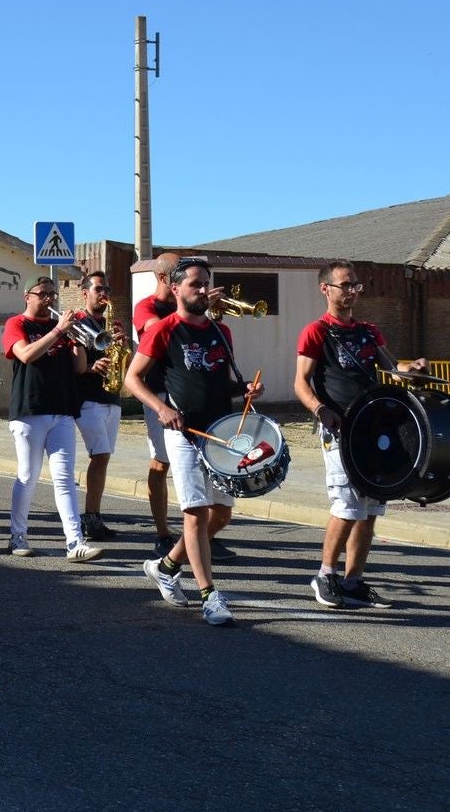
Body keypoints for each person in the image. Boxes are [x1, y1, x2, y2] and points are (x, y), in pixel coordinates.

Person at [127, 258, 263, 627]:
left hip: (220, 433)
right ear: (176, 289)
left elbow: (221, 382)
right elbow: (132, 379)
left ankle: (167, 565)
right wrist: (160, 408)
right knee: (196, 513)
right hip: (183, 433)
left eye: (206, 283)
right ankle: (209, 595)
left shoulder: (222, 332)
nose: (203, 290)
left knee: (222, 514)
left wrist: (246, 388)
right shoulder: (163, 329)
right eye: (195, 284)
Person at [295, 260, 423, 610]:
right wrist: (320, 409)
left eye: (355, 285)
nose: (352, 291)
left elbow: (391, 367)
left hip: (374, 427)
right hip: (339, 429)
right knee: (347, 506)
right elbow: (300, 382)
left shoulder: (368, 330)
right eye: (344, 285)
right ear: (326, 289)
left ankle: (354, 581)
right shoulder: (317, 331)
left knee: (369, 510)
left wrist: (411, 369)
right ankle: (324, 575)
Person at [2, 277, 104, 562]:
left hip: (62, 409)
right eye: (42, 294)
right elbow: (25, 354)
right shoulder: (17, 324)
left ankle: (75, 542)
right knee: (28, 475)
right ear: (27, 296)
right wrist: (59, 331)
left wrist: (77, 340)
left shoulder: (60, 328)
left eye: (52, 295)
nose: (49, 299)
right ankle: (18, 536)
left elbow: (80, 367)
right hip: (30, 410)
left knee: (65, 479)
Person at [133, 251, 181, 557]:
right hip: (158, 394)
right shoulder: (145, 307)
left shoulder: (184, 306)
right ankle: (163, 532)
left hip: (186, 392)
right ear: (163, 277)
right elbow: (159, 332)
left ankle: (200, 529)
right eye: (179, 274)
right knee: (161, 462)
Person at [74, 272, 124, 541]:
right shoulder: (79, 322)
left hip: (111, 398)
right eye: (98, 289)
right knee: (100, 455)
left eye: (106, 288)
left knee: (103, 458)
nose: (103, 293)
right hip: (87, 398)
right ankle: (89, 517)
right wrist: (91, 367)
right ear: (85, 293)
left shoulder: (111, 322)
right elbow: (73, 363)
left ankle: (93, 515)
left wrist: (122, 345)